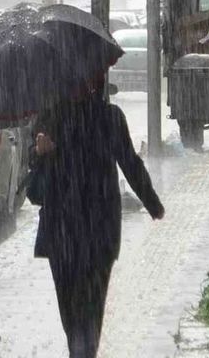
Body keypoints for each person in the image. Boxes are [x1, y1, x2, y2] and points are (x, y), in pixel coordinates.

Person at [26, 81, 165, 357]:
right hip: (89, 231)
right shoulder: (101, 118)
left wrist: (152, 203)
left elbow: (130, 163)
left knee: (78, 311)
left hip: (68, 232)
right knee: (85, 310)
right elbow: (131, 163)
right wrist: (153, 204)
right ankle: (83, 351)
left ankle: (82, 351)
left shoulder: (57, 118)